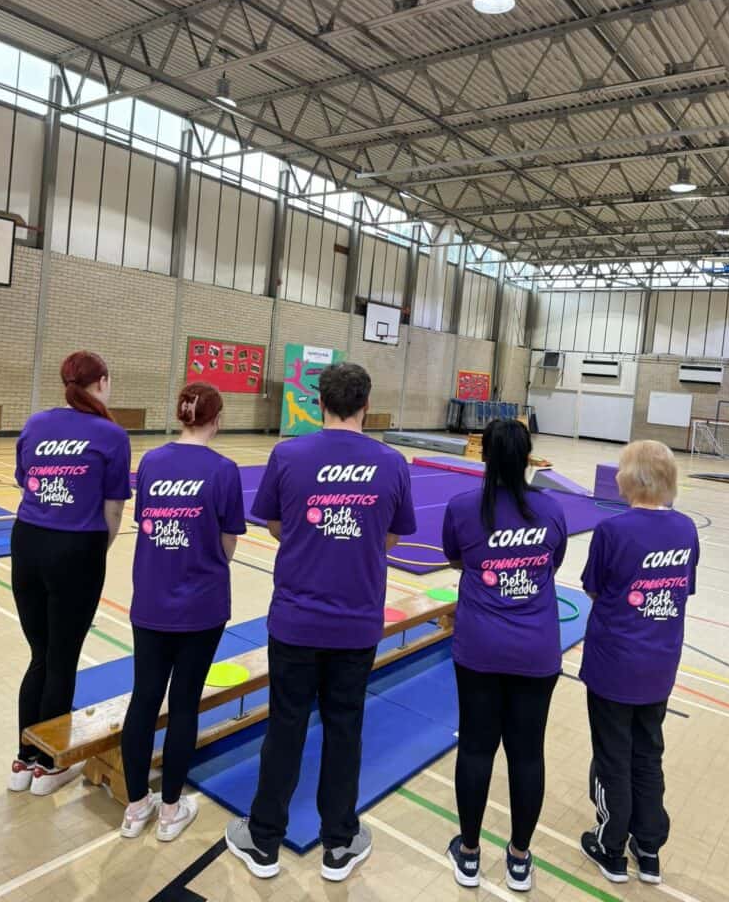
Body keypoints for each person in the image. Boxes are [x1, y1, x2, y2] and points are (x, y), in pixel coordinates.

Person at [225, 362, 416, 882]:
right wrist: (353, 536)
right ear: (365, 402)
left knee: (285, 725)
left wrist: (318, 536)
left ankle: (264, 840)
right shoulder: (392, 462)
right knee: (344, 727)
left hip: (296, 621)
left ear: (319, 402)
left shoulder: (288, 454)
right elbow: (394, 538)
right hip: (355, 622)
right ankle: (339, 841)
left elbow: (274, 524)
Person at [442, 419, 567, 893]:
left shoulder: (462, 508)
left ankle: (469, 854)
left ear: (484, 455)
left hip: (480, 649)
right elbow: (552, 564)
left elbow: (457, 558)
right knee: (526, 753)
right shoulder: (552, 511)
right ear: (529, 456)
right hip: (536, 651)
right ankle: (518, 858)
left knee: (475, 747)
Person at [120, 383, 245, 842]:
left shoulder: (151, 462)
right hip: (201, 604)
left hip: (151, 600)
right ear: (218, 418)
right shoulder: (223, 470)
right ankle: (170, 810)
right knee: (185, 703)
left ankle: (136, 808)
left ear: (180, 416)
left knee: (145, 698)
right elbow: (228, 543)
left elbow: (149, 526)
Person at [10, 351, 131, 796]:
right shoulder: (111, 434)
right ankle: (50, 763)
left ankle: (24, 760)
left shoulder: (36, 424)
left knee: (39, 655)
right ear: (100, 382)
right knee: (61, 657)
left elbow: (26, 480)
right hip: (74, 549)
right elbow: (113, 509)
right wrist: (91, 551)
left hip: (27, 543)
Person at [579, 440, 698, 886]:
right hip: (660, 662)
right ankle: (648, 847)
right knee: (648, 752)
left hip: (616, 663)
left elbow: (593, 588)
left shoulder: (614, 530)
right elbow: (680, 591)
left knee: (614, 755)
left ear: (629, 479)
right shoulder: (686, 529)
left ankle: (611, 845)